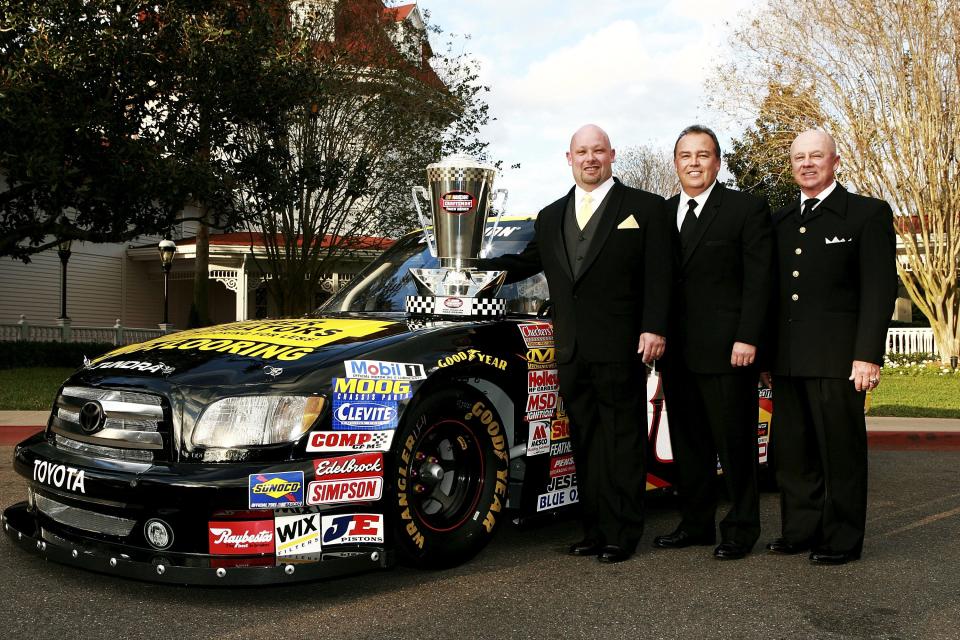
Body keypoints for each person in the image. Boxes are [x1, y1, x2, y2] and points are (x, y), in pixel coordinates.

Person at [481, 124, 671, 563]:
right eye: (581, 152)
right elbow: (525, 263)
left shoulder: (644, 208)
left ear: (612, 155)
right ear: (569, 159)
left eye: (598, 151)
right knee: (585, 442)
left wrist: (654, 327)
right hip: (571, 349)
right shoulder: (550, 216)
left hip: (624, 345)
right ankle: (594, 529)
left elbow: (660, 274)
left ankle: (623, 533)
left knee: (622, 441)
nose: (590, 158)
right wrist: (470, 262)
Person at [766, 129, 897, 565]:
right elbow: (773, 293)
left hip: (839, 359)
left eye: (815, 156)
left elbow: (878, 291)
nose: (807, 164)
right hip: (788, 358)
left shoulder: (865, 214)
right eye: (799, 157)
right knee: (793, 453)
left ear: (835, 161)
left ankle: (841, 538)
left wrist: (868, 355)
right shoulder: (781, 221)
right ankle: (800, 530)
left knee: (839, 453)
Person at [653, 125, 774, 560]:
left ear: (717, 162)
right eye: (685, 155)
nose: (694, 162)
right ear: (676, 163)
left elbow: (760, 281)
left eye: (702, 155)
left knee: (736, 443)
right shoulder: (662, 214)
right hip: (677, 353)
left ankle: (741, 529)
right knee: (689, 445)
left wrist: (748, 337)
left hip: (729, 352)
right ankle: (696, 523)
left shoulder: (745, 209)